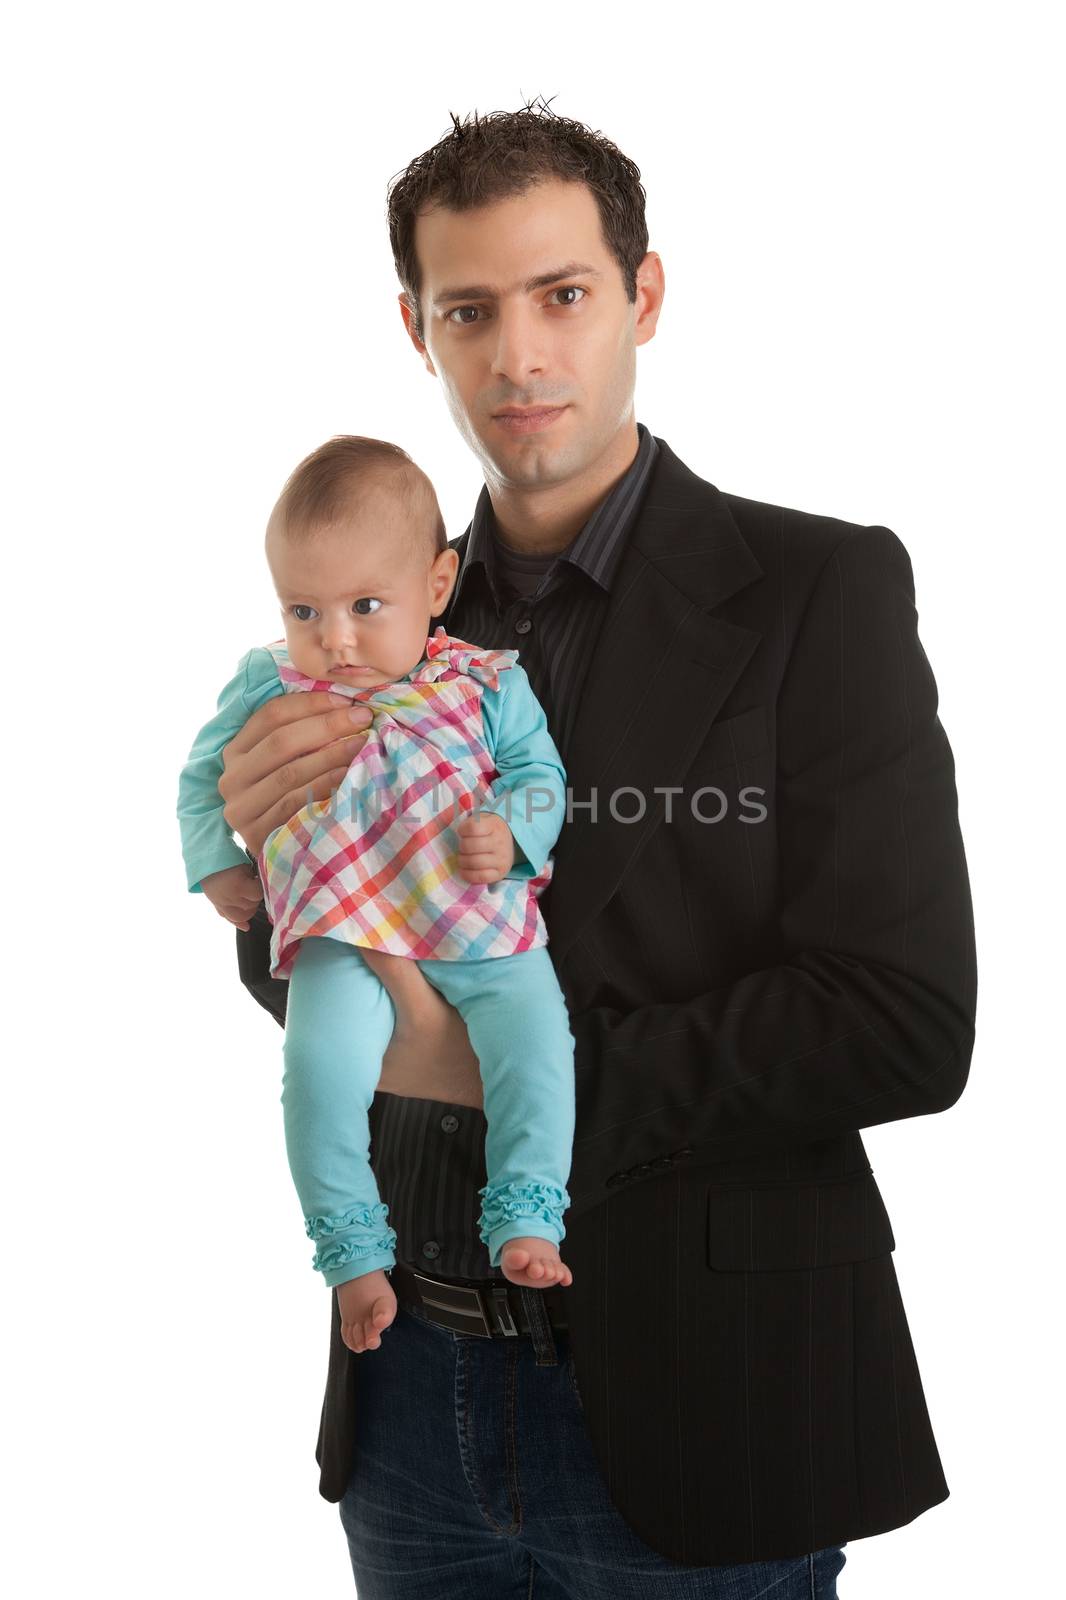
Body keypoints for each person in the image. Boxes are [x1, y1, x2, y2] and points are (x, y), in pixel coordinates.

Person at [214, 102, 977, 1593]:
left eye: (561, 295)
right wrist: (264, 877)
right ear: (416, 331)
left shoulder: (819, 589)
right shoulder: (372, 607)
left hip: (708, 1402)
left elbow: (905, 1020)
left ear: (642, 296)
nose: (518, 357)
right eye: (469, 311)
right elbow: (335, 957)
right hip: (407, 1405)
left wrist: (499, 1073)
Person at [177, 434, 577, 1355]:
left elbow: (541, 772)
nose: (336, 639)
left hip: (480, 917)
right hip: (345, 929)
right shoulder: (270, 681)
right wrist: (219, 863)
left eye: (365, 605)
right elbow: (203, 778)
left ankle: (526, 1214)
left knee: (536, 1047)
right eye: (304, 609)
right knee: (319, 1074)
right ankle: (352, 1252)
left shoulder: (483, 679)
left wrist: (515, 829)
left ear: (437, 587)